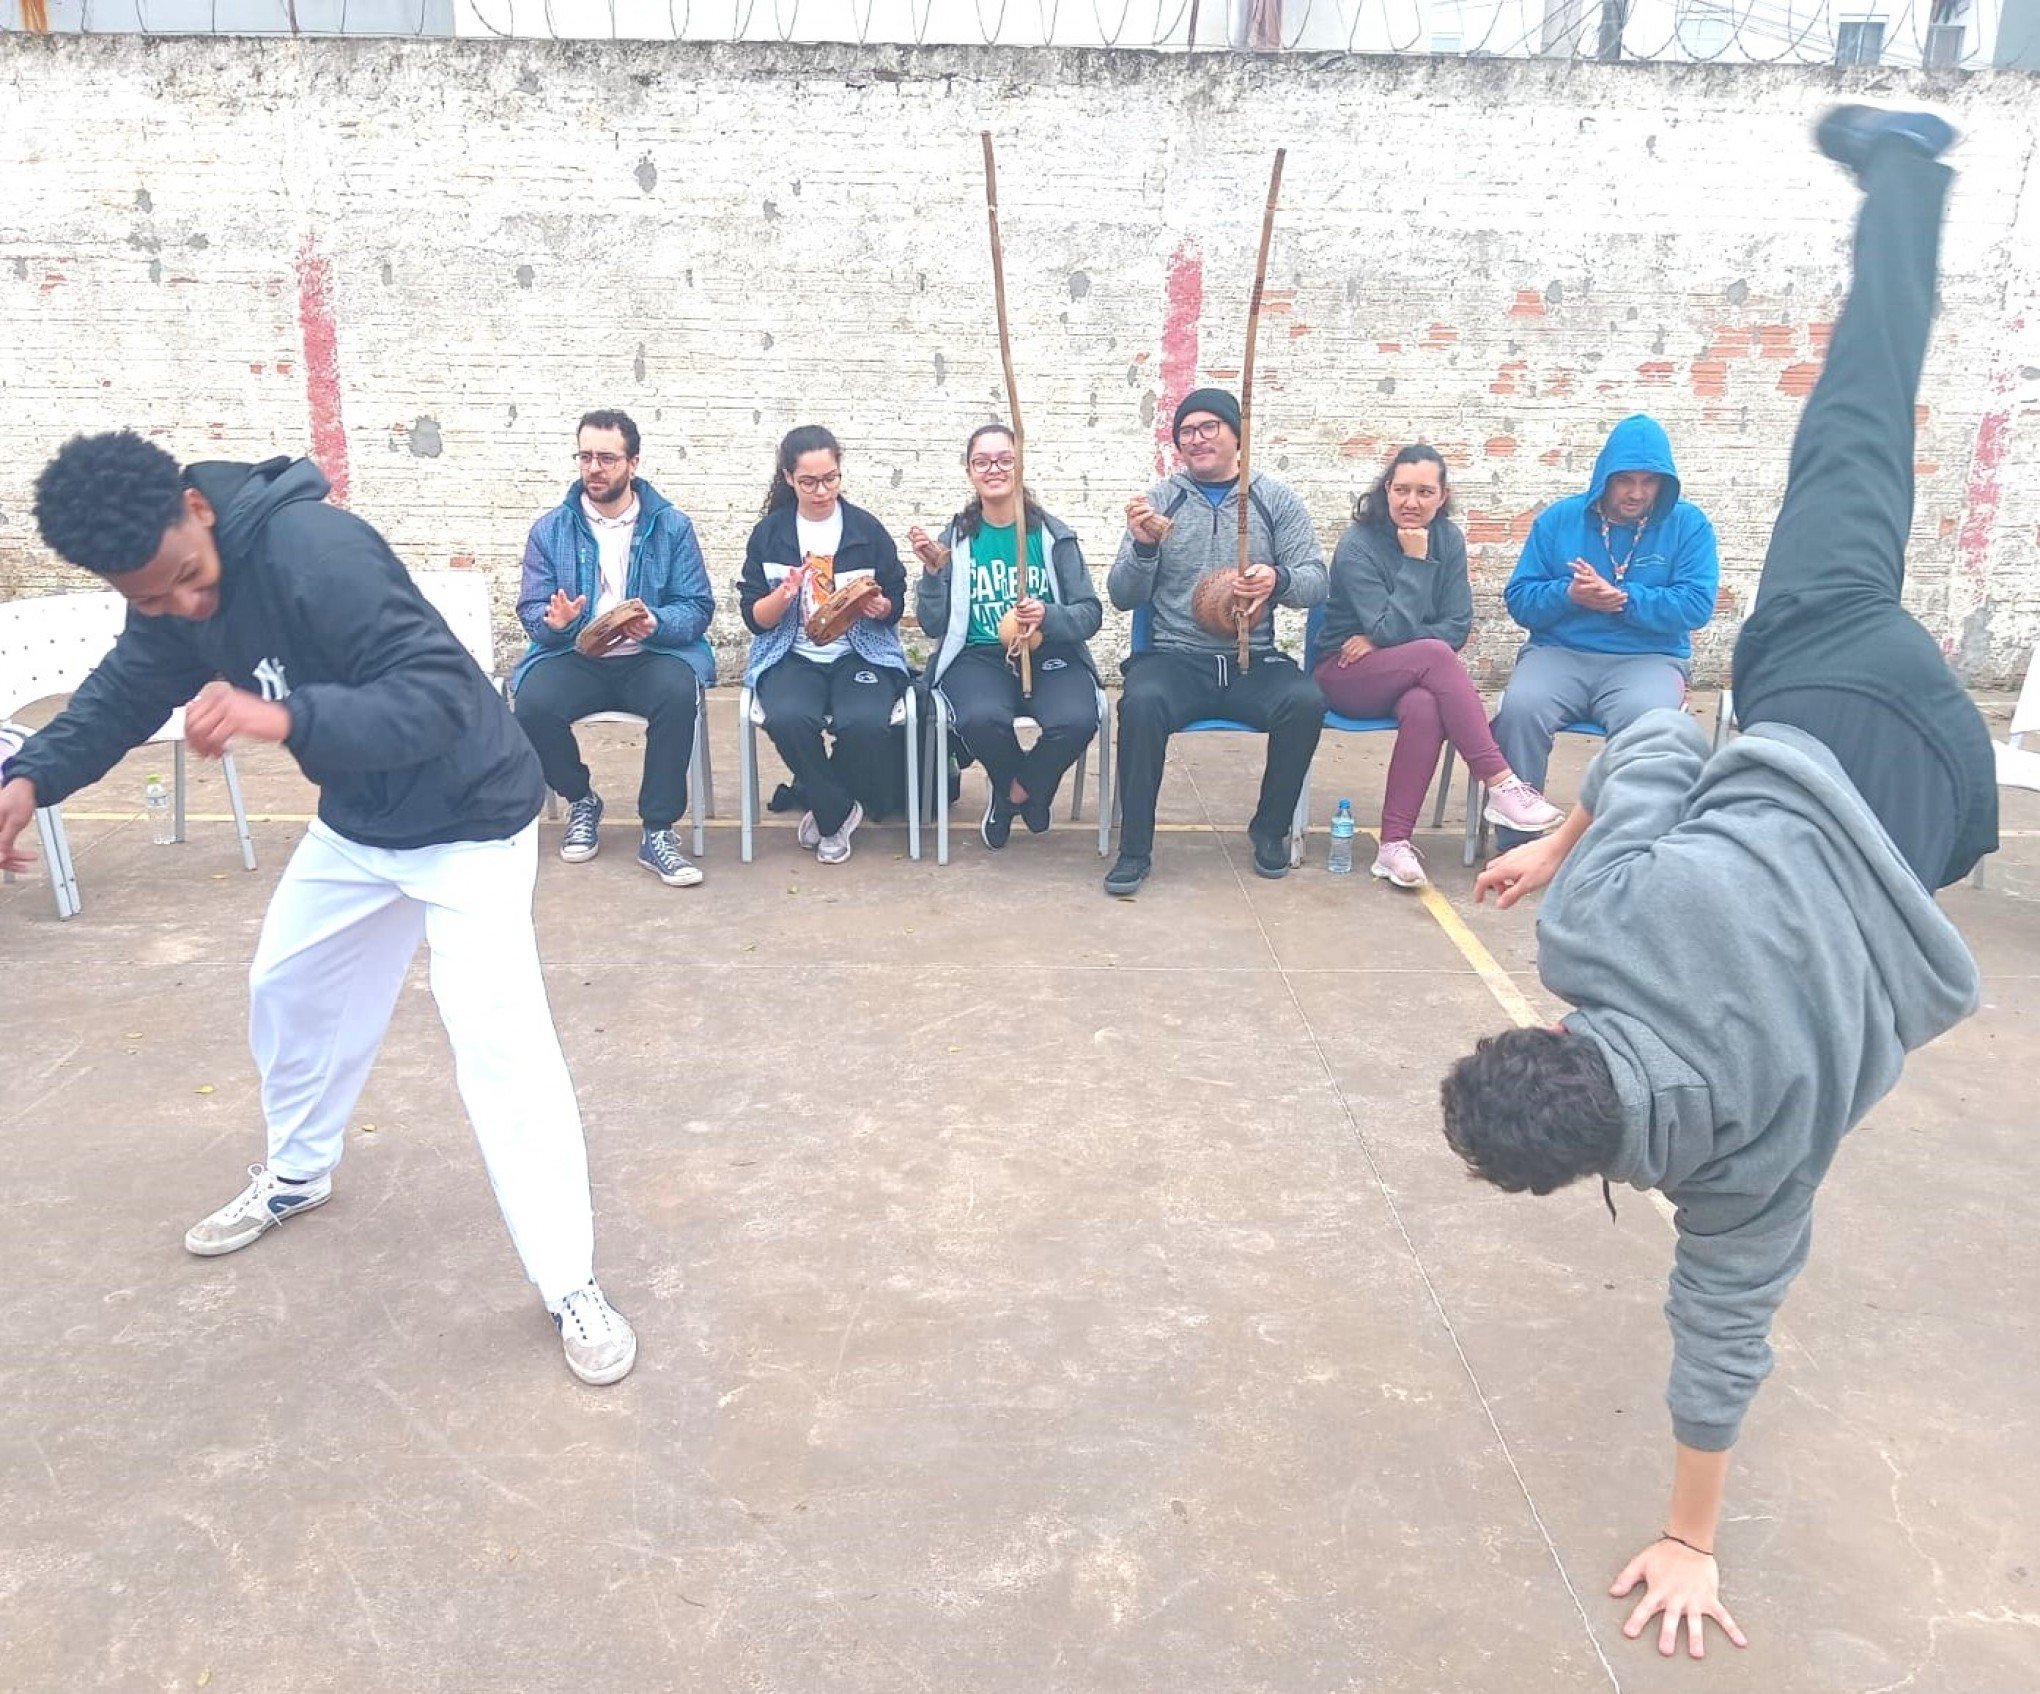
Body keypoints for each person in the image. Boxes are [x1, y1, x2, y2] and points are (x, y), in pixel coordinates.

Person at [1438, 107, 1994, 1658]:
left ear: (1598, 1169)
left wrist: (1691, 1538)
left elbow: (1721, 1336)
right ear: (1551, 1034)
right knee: (1855, 430)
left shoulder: (1742, 1168)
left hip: (1945, 818)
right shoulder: (1600, 929)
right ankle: (1905, 181)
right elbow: (1669, 739)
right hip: (1831, 679)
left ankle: (1907, 183)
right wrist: (1569, 841)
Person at [0, 432, 638, 1385]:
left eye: (184, 577)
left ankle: (569, 1282)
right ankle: (299, 1174)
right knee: (287, 988)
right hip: (358, 820)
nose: (184, 607)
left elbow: (437, 700)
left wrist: (284, 719)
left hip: (471, 820)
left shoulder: (319, 553)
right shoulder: (167, 587)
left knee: (500, 1045)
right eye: (150, 599)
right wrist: (30, 776)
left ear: (199, 508)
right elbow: (126, 691)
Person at [1105, 387, 1328, 896]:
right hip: (1175, 659)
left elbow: (1317, 580)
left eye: (1210, 427)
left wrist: (1278, 579)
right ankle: (1134, 849)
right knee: (1140, 704)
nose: (1197, 438)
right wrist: (1142, 548)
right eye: (1187, 431)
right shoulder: (1161, 501)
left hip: (1254, 660)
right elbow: (1121, 595)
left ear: (1237, 436)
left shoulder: (1273, 500)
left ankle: (1269, 830)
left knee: (1306, 701)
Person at [1314, 444, 1562, 888]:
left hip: (1411, 674)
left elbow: (1457, 626)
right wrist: (1412, 563)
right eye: (1402, 490)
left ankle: (1393, 845)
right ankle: (1501, 782)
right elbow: (1393, 630)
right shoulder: (1358, 544)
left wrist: (1388, 639)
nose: (1411, 502)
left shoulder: (1449, 540)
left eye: (1425, 492)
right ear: (1386, 490)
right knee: (1433, 655)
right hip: (1345, 672)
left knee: (1426, 704)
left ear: (1442, 495)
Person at [1489, 412, 1720, 849]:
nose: (1636, 493)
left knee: (1649, 724)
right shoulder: (1560, 519)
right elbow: (1520, 599)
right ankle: (1515, 843)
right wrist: (1568, 595)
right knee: (1521, 708)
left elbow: (1696, 605)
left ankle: (1622, 848)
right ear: (1604, 477)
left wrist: (1624, 600)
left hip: (1648, 658)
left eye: (1649, 482)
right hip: (1560, 653)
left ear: (1664, 483)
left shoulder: (1688, 526)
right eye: (1625, 481)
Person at [511, 409, 716, 886]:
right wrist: (555, 622)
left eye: (607, 457)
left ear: (633, 463)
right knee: (533, 703)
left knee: (677, 692)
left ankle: (659, 830)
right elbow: (531, 611)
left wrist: (656, 623)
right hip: (575, 655)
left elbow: (698, 607)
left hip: (651, 656)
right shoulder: (551, 530)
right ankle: (581, 799)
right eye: (585, 456)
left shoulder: (671, 526)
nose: (594, 468)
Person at [910, 424, 1102, 850]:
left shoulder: (1054, 537)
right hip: (977, 655)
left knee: (1077, 719)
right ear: (969, 471)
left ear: (1020, 466)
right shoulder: (955, 541)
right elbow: (932, 624)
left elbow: (1090, 614)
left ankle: (1012, 794)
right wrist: (931, 574)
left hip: (1049, 652)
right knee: (978, 718)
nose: (994, 469)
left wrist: (1048, 615)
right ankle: (1027, 790)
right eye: (983, 461)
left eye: (1005, 460)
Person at [737, 425, 910, 865]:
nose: (821, 490)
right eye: (809, 481)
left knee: (865, 722)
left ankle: (823, 795)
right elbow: (755, 619)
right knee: (789, 715)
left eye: (830, 478)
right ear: (789, 478)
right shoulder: (771, 534)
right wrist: (785, 595)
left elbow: (895, 599)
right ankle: (836, 810)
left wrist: (881, 607)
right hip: (790, 652)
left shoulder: (866, 530)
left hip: (860, 651)